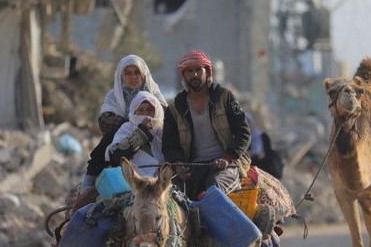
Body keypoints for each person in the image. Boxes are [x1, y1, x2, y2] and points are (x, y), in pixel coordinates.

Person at [162, 49, 252, 201]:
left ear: (207, 72)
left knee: (214, 187)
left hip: (225, 165)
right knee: (171, 193)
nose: (195, 75)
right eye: (189, 71)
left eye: (198, 70)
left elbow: (244, 133)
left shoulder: (224, 96)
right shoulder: (175, 107)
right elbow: (169, 145)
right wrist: (178, 165)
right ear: (183, 75)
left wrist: (227, 157)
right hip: (192, 168)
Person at [79, 55, 167, 193]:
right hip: (125, 137)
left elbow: (164, 116)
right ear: (121, 76)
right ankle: (91, 177)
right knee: (109, 139)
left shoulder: (153, 95)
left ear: (143, 75)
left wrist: (151, 122)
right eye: (128, 73)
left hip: (154, 135)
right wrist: (134, 123)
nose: (133, 77)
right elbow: (105, 121)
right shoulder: (114, 95)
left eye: (137, 72)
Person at [106, 91, 166, 176]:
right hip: (133, 182)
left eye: (150, 110)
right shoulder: (127, 128)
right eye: (141, 110)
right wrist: (142, 131)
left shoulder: (163, 131)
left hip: (162, 181)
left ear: (157, 113)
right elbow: (117, 155)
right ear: (134, 112)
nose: (145, 114)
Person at [246, 112, 284, 179]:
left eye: (248, 121)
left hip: (265, 167)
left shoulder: (262, 136)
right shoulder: (244, 139)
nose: (248, 124)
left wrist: (258, 155)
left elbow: (267, 151)